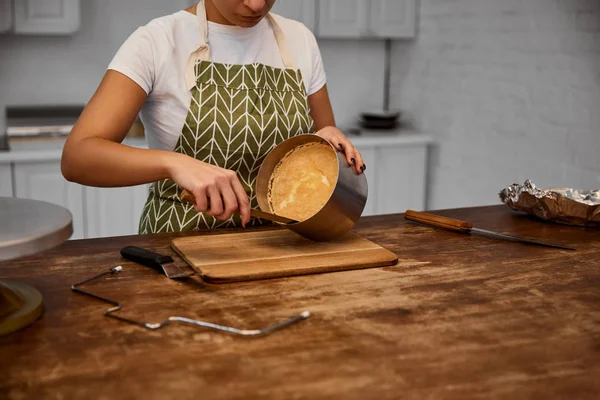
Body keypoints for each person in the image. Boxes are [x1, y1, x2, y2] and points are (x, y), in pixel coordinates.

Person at [61, 0, 365, 234]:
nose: (257, 4)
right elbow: (78, 156)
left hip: (283, 246)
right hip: (180, 247)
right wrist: (174, 163)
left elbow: (322, 135)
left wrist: (328, 142)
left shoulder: (300, 40)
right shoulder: (157, 41)